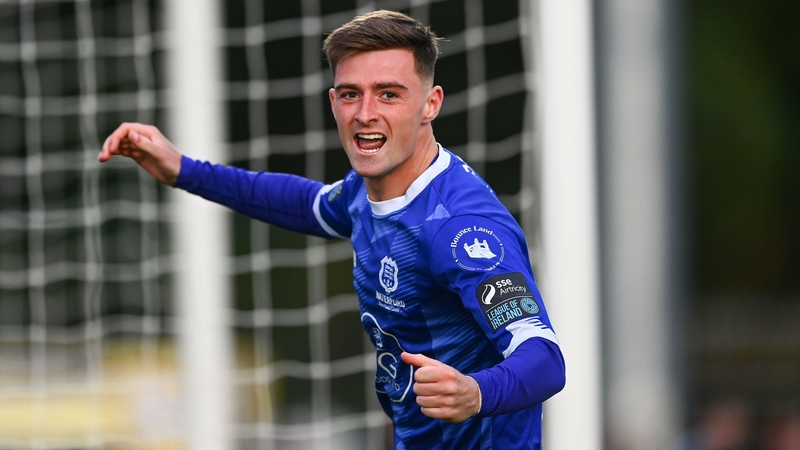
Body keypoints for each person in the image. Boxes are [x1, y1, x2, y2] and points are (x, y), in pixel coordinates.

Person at [98, 10, 565, 449]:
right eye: (349, 94)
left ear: (430, 104)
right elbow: (305, 203)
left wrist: (475, 392)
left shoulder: (461, 232)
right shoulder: (365, 193)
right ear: (333, 101)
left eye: (389, 93)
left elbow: (544, 356)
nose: (364, 113)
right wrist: (183, 169)